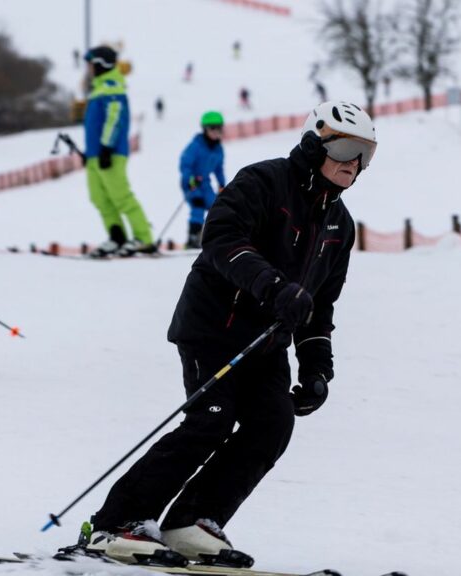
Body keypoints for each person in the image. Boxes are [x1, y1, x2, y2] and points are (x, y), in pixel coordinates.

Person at [83, 101, 378, 565]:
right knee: (210, 421)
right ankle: (117, 523)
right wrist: (275, 287)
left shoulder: (340, 225)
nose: (354, 163)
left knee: (273, 424)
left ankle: (191, 521)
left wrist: (318, 367)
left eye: (366, 152)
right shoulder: (263, 181)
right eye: (344, 148)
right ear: (311, 143)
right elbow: (222, 238)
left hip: (266, 343)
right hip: (214, 327)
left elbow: (319, 307)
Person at [82, 45, 155, 258]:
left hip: (110, 152)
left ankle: (143, 238)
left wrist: (106, 146)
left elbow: (114, 118)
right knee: (99, 197)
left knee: (120, 196)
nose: (88, 69)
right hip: (96, 154)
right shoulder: (99, 88)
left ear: (100, 65)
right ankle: (117, 237)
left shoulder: (112, 86)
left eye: (91, 65)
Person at [178, 111, 226, 249]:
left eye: (219, 128)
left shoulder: (218, 149)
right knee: (197, 205)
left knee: (215, 207)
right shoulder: (196, 146)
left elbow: (219, 169)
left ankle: (214, 236)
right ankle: (193, 237)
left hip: (204, 183)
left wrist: (222, 184)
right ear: (205, 129)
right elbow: (185, 164)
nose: (216, 132)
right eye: (213, 128)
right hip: (191, 183)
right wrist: (191, 179)